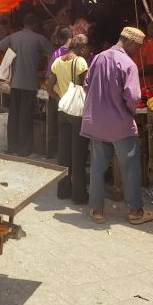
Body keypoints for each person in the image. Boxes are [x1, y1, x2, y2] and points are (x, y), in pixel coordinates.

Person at [81, 27, 153, 225]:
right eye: (138, 47)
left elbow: (86, 84)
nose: (138, 51)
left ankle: (96, 211)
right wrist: (130, 112)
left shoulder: (98, 58)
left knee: (97, 167)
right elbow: (132, 97)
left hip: (97, 122)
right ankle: (135, 212)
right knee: (130, 167)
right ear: (131, 43)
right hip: (120, 124)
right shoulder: (128, 64)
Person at [0, 13, 54, 156]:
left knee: (14, 115)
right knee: (25, 117)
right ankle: (24, 150)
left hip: (14, 83)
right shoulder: (39, 38)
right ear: (34, 24)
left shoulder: (13, 37)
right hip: (29, 84)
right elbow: (54, 53)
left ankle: (12, 147)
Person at [47, 33, 91, 204]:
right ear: (82, 47)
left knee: (64, 153)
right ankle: (79, 195)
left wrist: (62, 99)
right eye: (86, 48)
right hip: (77, 114)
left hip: (63, 111)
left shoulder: (57, 61)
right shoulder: (80, 61)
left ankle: (63, 190)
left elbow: (49, 86)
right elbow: (88, 87)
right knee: (78, 154)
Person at [132, 26, 153, 91]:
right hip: (140, 87)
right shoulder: (136, 44)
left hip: (152, 88)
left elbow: (150, 70)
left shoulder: (152, 45)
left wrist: (130, 72)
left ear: (141, 30)